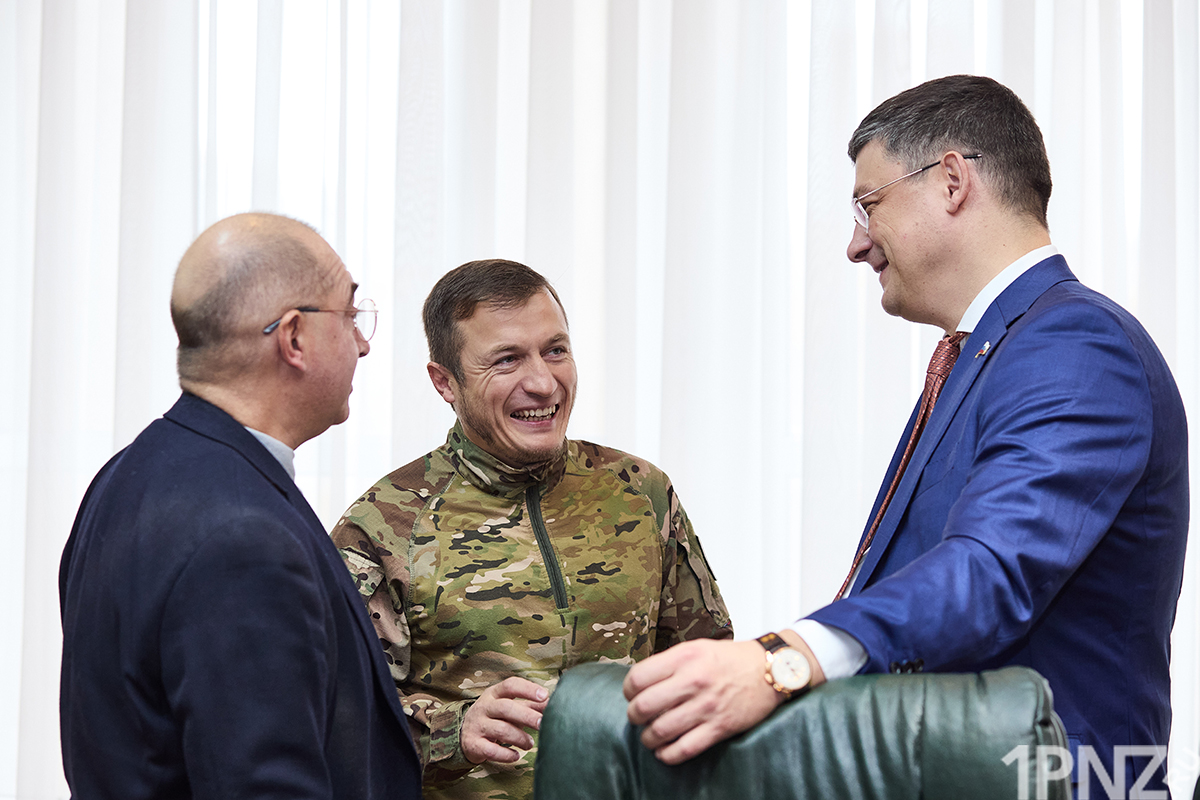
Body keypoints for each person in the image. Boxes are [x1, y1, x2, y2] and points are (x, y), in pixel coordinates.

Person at [623, 75, 1188, 798]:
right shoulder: (992, 351)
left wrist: (782, 662)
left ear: (952, 180)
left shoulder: (1076, 343)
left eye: (869, 204)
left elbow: (991, 569)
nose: (856, 245)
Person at [330, 258, 733, 799]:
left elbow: (708, 664)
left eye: (556, 350)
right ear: (445, 382)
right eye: (507, 360)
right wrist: (450, 732)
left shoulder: (641, 492)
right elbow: (338, 721)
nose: (543, 383)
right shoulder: (383, 525)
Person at [59, 212, 422, 799]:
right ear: (294, 338)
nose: (363, 342)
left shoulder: (126, 475)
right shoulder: (244, 539)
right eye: (350, 314)